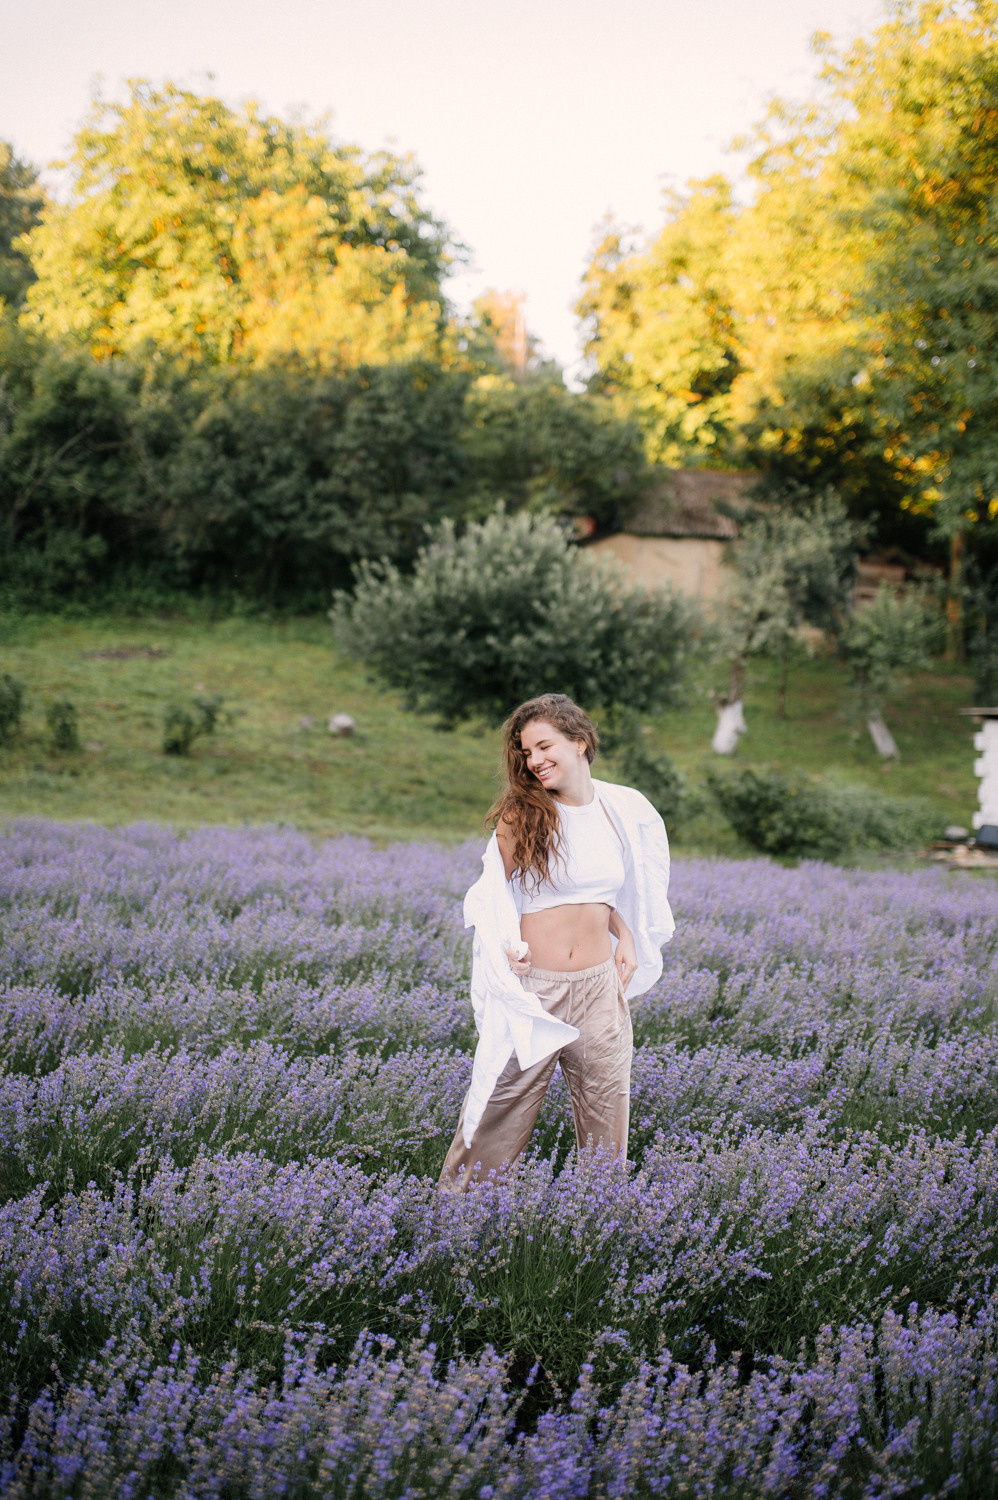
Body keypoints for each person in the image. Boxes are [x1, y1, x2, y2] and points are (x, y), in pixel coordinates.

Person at [439, 693, 674, 1191]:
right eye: (527, 752)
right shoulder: (522, 814)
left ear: (580, 742)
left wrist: (626, 935)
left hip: (599, 989)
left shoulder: (621, 809)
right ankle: (458, 1219)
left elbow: (612, 891)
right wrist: (505, 945)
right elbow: (491, 895)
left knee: (607, 1118)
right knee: (497, 1113)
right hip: (535, 991)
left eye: (544, 746)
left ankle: (597, 1218)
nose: (535, 760)